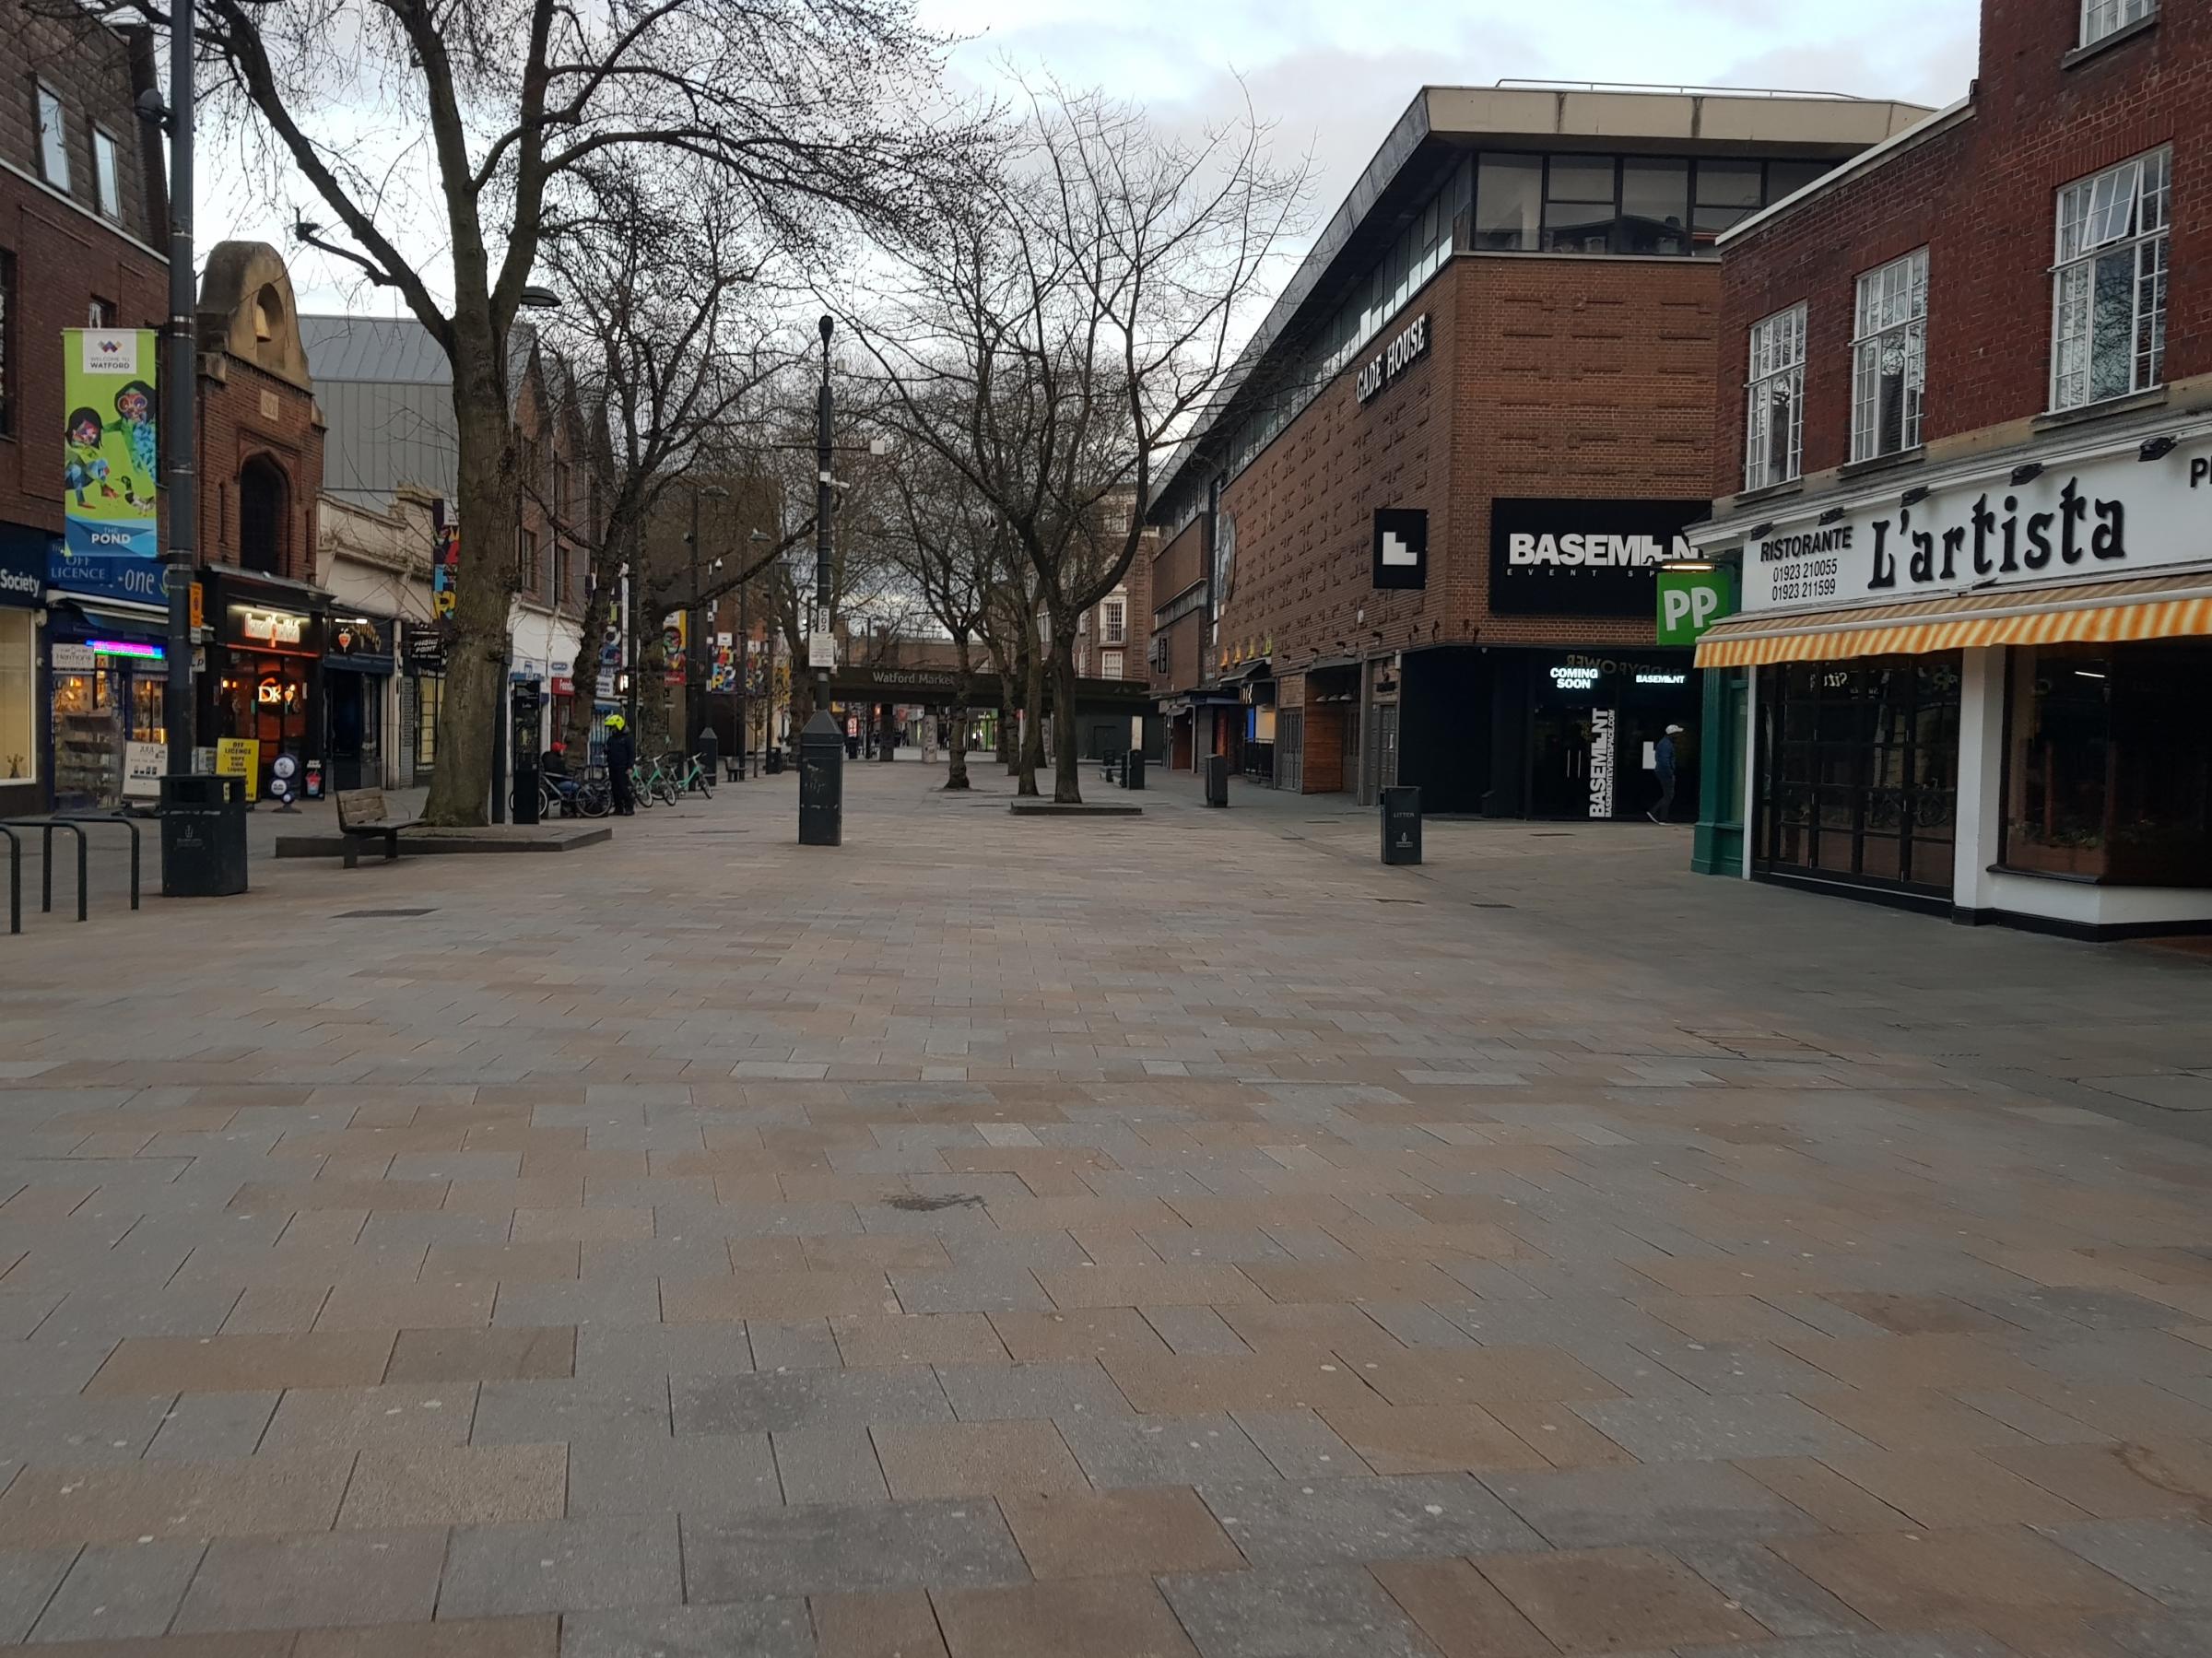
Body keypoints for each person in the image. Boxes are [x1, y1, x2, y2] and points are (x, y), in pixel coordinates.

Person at [603, 715, 636, 816]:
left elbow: (631, 753)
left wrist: (630, 767)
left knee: (623, 788)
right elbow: (608, 750)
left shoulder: (627, 738)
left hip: (623, 767)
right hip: (612, 766)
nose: (612, 729)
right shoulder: (611, 738)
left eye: (613, 727)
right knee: (615, 789)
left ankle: (629, 807)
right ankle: (618, 808)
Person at [1650, 723, 1683, 822]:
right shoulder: (1666, 744)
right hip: (1664, 772)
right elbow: (1664, 761)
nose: (1678, 735)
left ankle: (1659, 815)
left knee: (1668, 795)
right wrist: (1670, 773)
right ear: (1672, 734)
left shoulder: (1665, 743)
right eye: (1677, 733)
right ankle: (1659, 815)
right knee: (1669, 795)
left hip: (1662, 771)